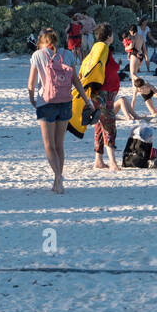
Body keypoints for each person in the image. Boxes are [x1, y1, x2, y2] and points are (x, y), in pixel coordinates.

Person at [28, 27, 95, 194]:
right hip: (66, 102)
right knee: (59, 145)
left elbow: (31, 83)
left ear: (42, 42)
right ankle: (58, 181)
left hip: (46, 103)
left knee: (49, 145)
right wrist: (86, 100)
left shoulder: (37, 55)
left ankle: (58, 177)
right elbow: (76, 81)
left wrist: (32, 99)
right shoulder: (68, 54)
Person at [90, 23, 122, 171]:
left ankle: (99, 160)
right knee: (109, 124)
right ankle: (113, 162)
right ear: (109, 36)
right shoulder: (104, 49)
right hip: (105, 92)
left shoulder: (97, 49)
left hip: (100, 92)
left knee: (99, 124)